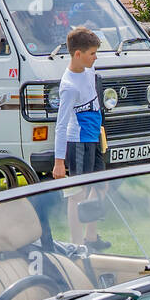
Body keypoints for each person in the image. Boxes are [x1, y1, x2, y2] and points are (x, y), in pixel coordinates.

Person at [51, 26, 106, 248]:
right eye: (92, 53)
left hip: (93, 138)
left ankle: (91, 237)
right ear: (78, 54)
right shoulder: (69, 86)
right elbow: (61, 126)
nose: (95, 57)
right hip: (79, 142)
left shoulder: (88, 71)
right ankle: (75, 245)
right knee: (77, 194)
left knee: (101, 185)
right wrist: (58, 162)